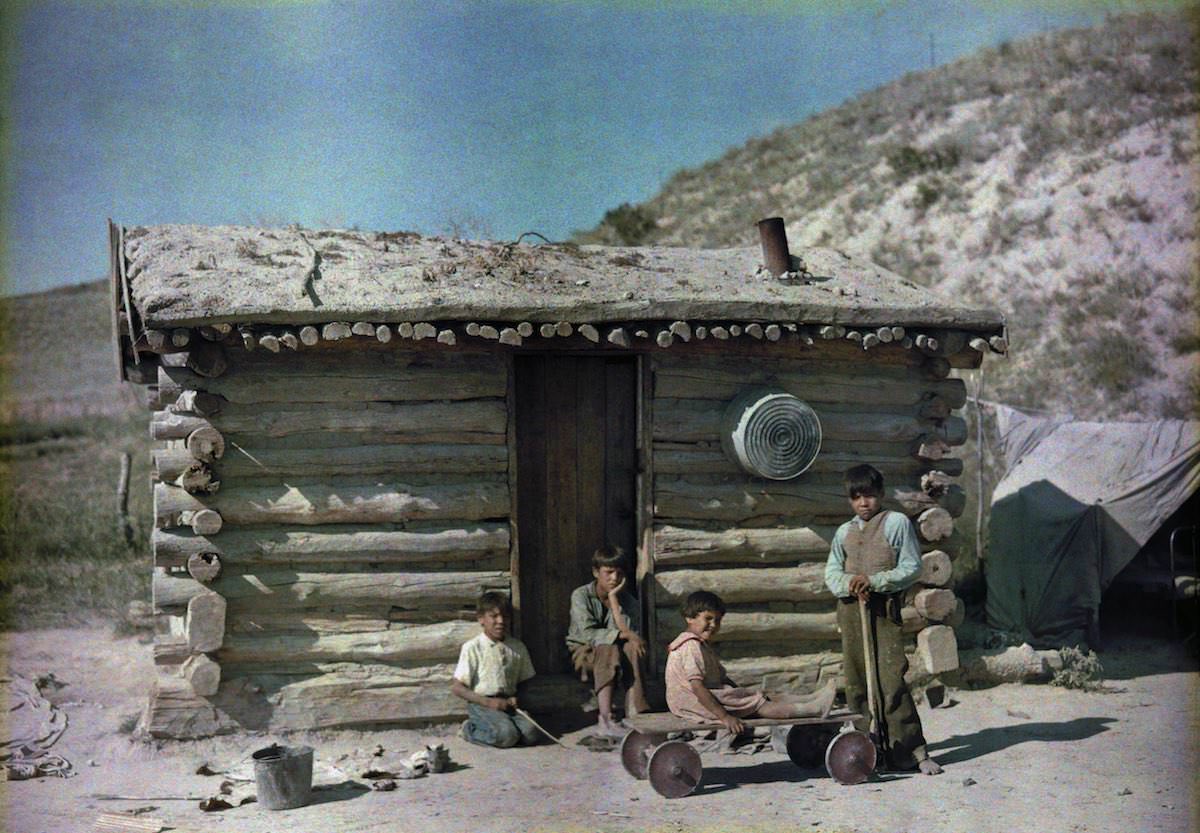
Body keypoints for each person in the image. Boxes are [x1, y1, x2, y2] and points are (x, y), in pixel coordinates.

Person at [824, 463, 944, 775]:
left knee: (891, 682)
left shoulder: (896, 523)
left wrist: (874, 581)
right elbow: (832, 572)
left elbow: (911, 567)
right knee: (857, 683)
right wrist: (848, 583)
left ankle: (913, 753)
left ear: (881, 494)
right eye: (857, 497)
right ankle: (867, 752)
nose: (864, 503)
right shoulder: (844, 532)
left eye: (870, 496)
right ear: (850, 500)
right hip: (851, 611)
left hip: (883, 611)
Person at [665, 590, 837, 735]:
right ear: (689, 618)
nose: (713, 625)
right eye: (708, 618)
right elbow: (697, 687)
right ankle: (813, 709)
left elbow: (722, 679)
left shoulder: (700, 645)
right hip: (692, 701)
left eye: (717, 620)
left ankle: (811, 698)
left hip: (694, 699)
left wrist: (740, 692)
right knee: (758, 705)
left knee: (757, 695)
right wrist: (725, 717)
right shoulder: (691, 646)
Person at [566, 545, 651, 736]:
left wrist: (613, 599)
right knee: (608, 647)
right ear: (596, 572)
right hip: (583, 653)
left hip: (617, 653)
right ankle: (605, 718)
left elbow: (628, 633)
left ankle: (637, 713)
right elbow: (589, 634)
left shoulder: (628, 602)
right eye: (609, 572)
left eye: (619, 573)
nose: (614, 578)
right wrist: (626, 634)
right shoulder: (581, 595)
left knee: (632, 647)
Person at [450, 591, 540, 748]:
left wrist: (517, 697)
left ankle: (506, 728)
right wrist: (487, 702)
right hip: (482, 705)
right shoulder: (473, 647)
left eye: (505, 616)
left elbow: (526, 681)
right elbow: (457, 688)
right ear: (481, 619)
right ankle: (468, 730)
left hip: (509, 704)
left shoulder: (517, 647)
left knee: (532, 734)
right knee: (506, 736)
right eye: (494, 616)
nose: (500, 621)